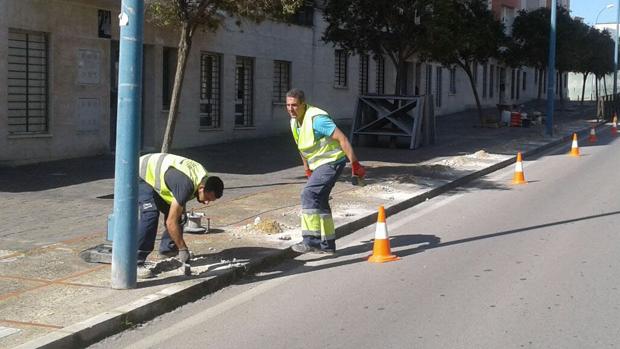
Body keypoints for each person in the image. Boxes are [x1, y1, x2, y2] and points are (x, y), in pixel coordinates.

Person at [286, 88, 366, 254]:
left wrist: (355, 164)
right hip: (319, 166)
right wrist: (307, 171)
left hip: (332, 161)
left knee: (308, 194)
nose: (291, 109)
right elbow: (302, 148)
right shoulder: (294, 122)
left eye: (294, 105)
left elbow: (342, 138)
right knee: (320, 200)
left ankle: (311, 241)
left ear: (303, 104)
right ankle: (328, 245)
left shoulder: (317, 119)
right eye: (288, 105)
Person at [137, 153, 223, 278]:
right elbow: (170, 223)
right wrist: (183, 248)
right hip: (141, 172)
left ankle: (168, 251)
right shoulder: (186, 185)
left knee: (179, 216)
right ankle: (136, 262)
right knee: (150, 214)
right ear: (202, 188)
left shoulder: (204, 178)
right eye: (207, 198)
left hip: (162, 175)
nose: (206, 202)